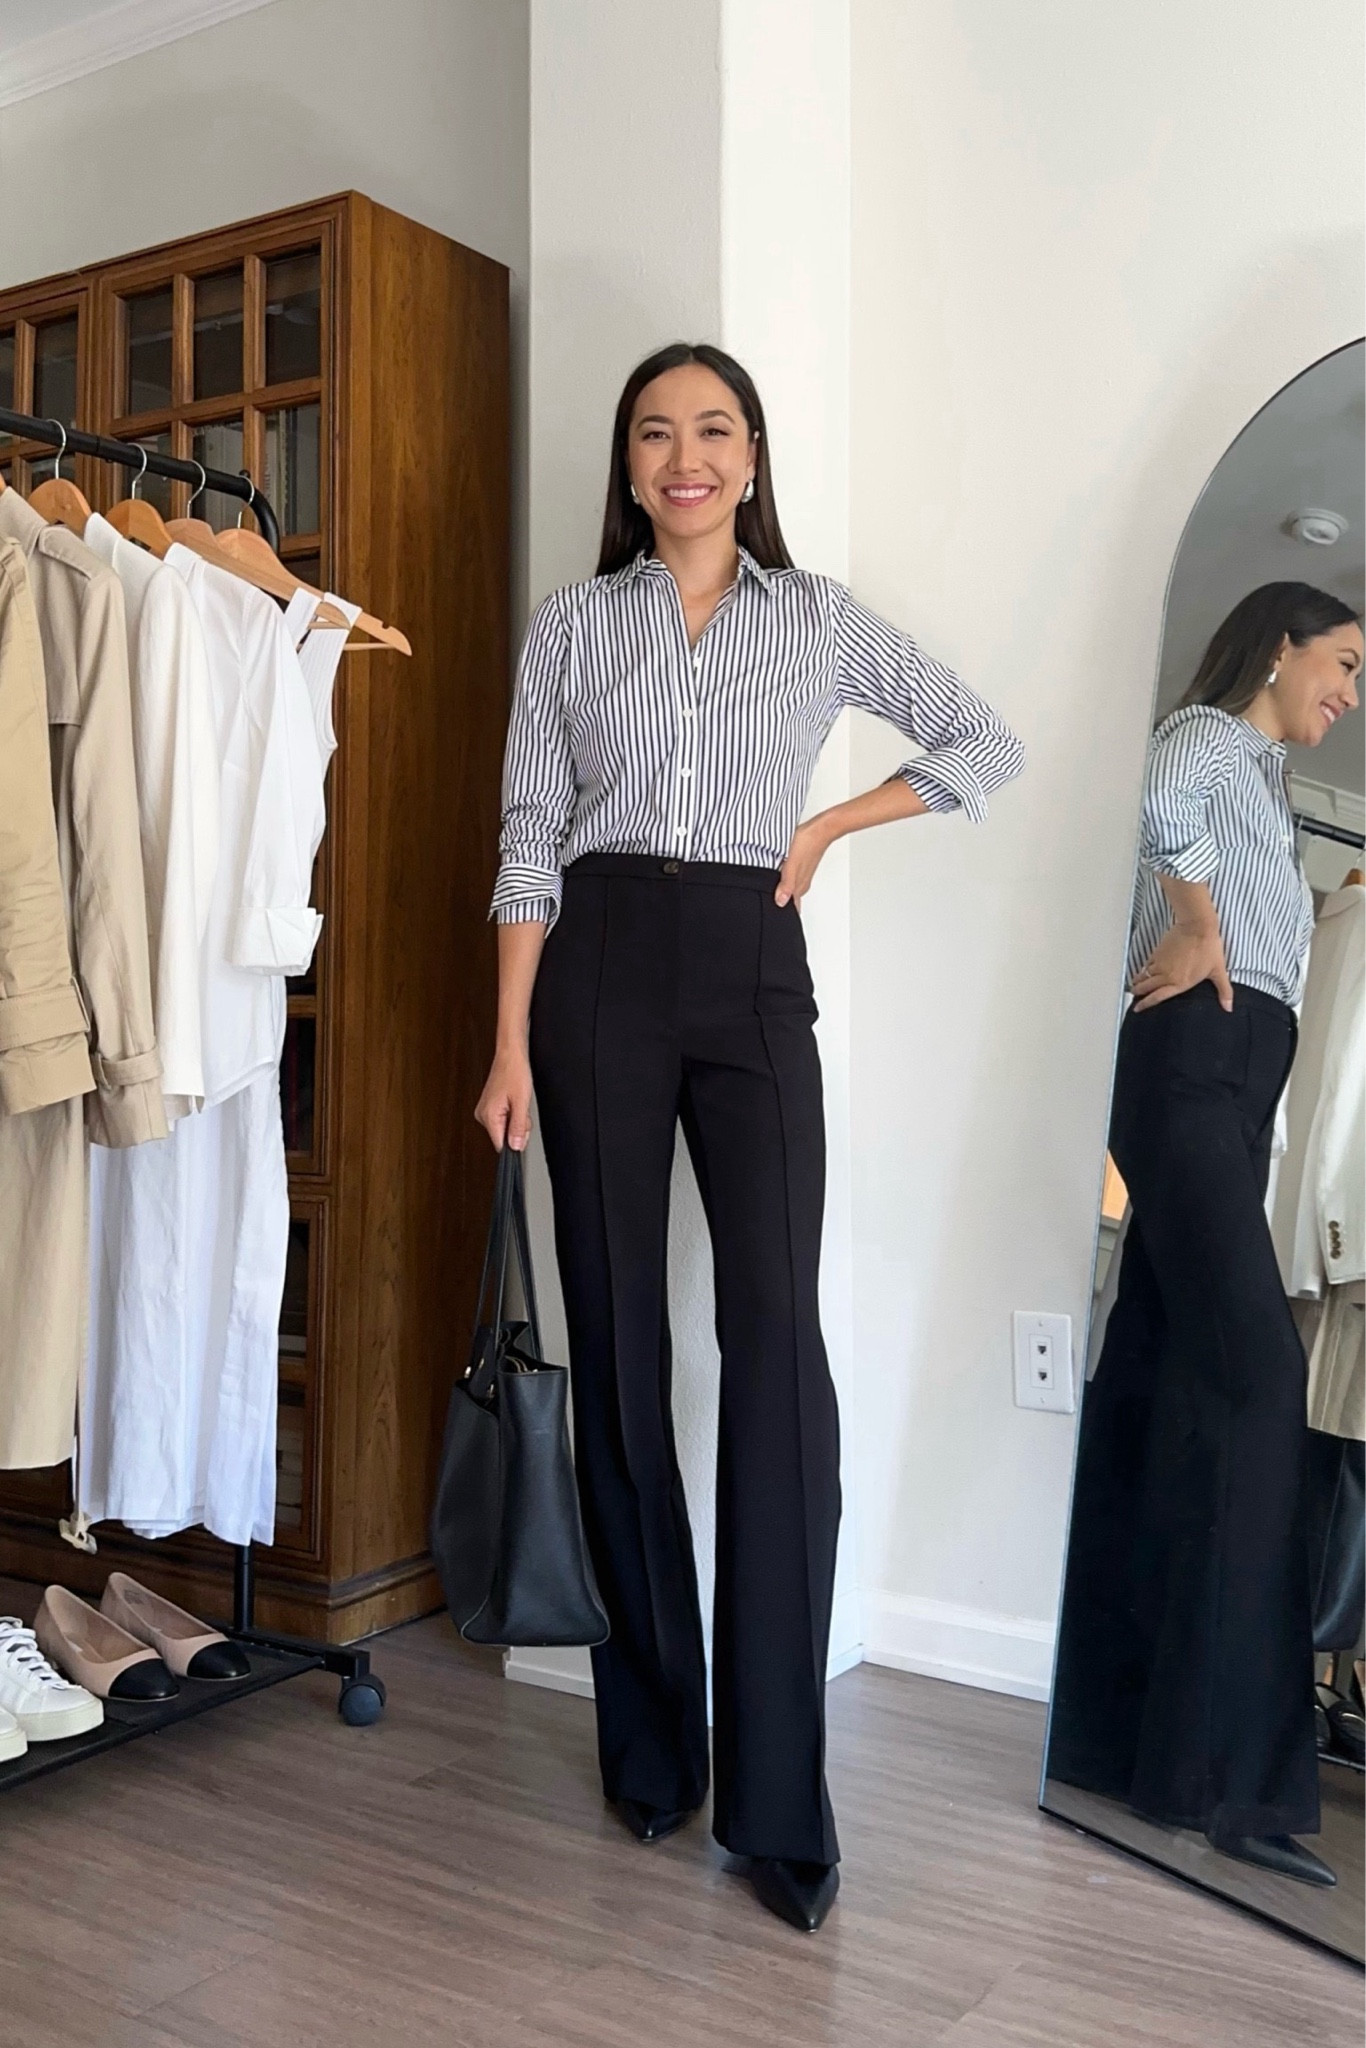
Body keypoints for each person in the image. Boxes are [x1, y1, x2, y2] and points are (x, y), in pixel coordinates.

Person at [476, 342, 1024, 1932]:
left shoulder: (821, 618)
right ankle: (651, 1749)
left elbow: (981, 740)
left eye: (712, 429)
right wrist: (508, 1042)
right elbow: (526, 835)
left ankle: (779, 1799)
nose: (684, 456)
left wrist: (830, 826)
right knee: (625, 1349)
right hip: (593, 976)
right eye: (655, 432)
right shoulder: (572, 627)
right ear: (628, 466)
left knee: (777, 1342)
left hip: (747, 963)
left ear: (753, 457)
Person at [1050, 582, 1362, 1888]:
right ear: (1278, 647)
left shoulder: (1265, 795)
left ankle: (1110, 1739)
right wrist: (1193, 924)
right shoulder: (1207, 738)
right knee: (1254, 1383)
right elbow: (1153, 795)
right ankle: (1231, 1783)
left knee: (1161, 1386)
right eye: (1341, 663)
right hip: (1186, 1075)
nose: (1347, 694)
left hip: (1222, 1096)